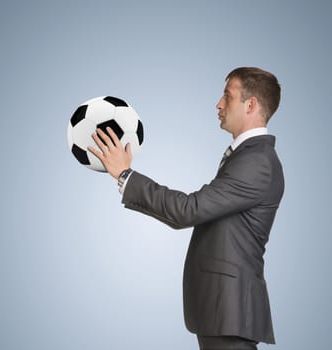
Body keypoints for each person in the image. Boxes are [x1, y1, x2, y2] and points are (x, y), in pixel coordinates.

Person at [88, 67, 285, 350]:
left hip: (230, 311)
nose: (218, 104)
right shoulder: (248, 157)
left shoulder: (257, 162)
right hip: (222, 311)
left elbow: (188, 210)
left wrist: (125, 175)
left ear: (251, 104)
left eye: (227, 96)